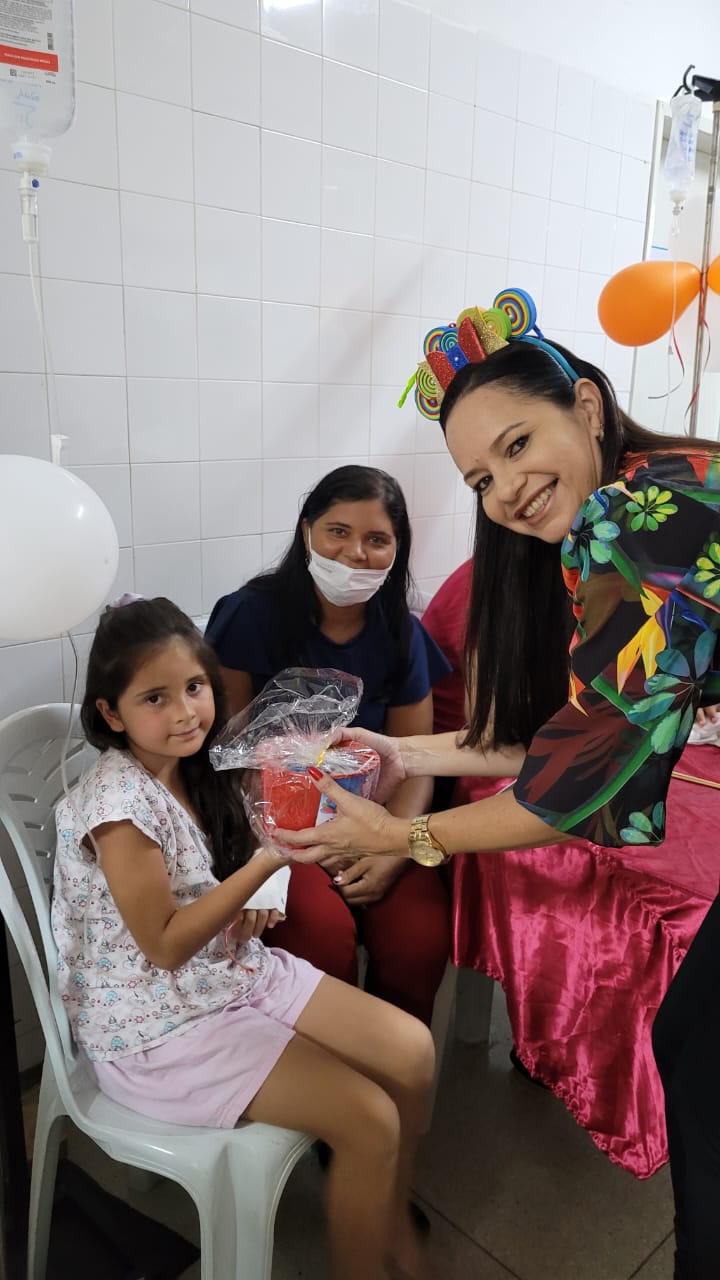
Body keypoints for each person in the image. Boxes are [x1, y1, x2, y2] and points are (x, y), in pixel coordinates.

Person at [276, 302, 720, 1279]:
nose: (508, 488)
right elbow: (560, 738)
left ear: (588, 406)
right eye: (481, 477)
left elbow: (578, 779)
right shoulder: (650, 491)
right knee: (690, 1041)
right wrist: (408, 762)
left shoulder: (640, 518)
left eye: (518, 444)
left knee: (700, 1066)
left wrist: (406, 838)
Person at [51, 596, 435, 1280]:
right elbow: (164, 946)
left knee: (412, 1051)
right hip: (155, 1024)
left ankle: (385, 1218)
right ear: (112, 715)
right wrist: (266, 866)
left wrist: (266, 878)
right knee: (370, 1119)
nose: (185, 712)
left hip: (228, 972)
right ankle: (365, 1262)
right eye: (155, 698)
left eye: (194, 687)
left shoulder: (201, 766)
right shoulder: (117, 808)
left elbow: (232, 859)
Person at [205, 465, 452, 1026]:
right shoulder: (249, 615)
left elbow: (417, 759)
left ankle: (394, 1072)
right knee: (321, 936)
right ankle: (331, 1081)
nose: (355, 553)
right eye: (337, 531)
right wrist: (292, 838)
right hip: (274, 830)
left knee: (419, 938)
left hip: (379, 821)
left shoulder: (403, 634)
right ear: (306, 531)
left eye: (377, 539)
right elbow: (227, 754)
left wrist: (394, 844)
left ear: (397, 549)